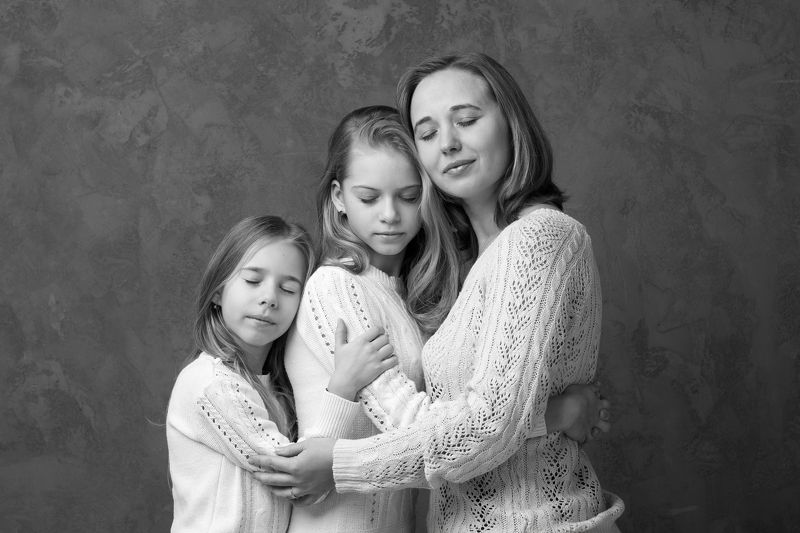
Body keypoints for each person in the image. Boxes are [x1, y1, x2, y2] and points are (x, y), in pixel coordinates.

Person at [263, 97, 617, 532]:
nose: (389, 216)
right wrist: (554, 414)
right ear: (338, 197)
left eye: (409, 196)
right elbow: (411, 424)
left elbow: (460, 417)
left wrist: (518, 413)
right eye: (368, 198)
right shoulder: (336, 285)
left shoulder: (413, 296)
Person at [165, 215, 398, 533]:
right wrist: (343, 387)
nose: (269, 298)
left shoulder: (275, 387)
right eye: (252, 281)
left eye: (288, 289)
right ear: (218, 292)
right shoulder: (211, 383)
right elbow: (298, 479)